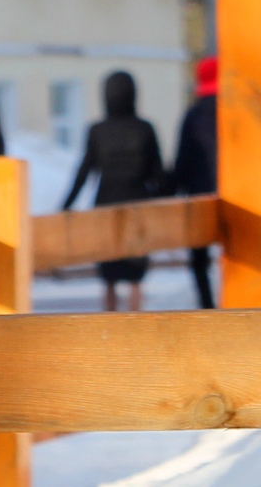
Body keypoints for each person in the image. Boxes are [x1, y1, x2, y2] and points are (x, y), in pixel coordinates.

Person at [59, 69, 167, 311]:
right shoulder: (145, 129)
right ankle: (136, 325)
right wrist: (164, 206)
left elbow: (84, 172)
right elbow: (159, 174)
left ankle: (109, 325)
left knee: (108, 277)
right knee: (136, 277)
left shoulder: (97, 130)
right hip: (138, 206)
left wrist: (65, 206)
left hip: (105, 205)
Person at [172, 56, 219, 308]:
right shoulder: (236, 113)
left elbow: (182, 161)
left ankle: (208, 308)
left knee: (199, 260)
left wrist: (170, 191)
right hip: (237, 194)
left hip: (199, 196)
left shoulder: (193, 115)